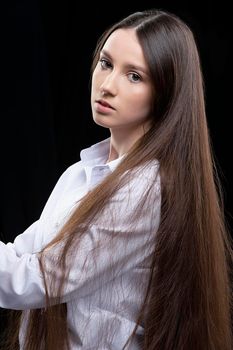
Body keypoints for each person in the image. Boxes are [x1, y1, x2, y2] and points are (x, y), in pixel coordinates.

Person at [0, 8, 232, 350]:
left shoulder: (145, 189)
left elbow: (36, 281)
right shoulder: (80, 173)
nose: (107, 86)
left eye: (134, 76)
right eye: (106, 63)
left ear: (165, 92)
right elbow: (22, 256)